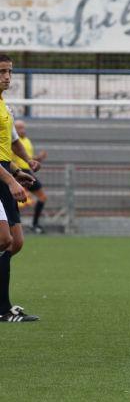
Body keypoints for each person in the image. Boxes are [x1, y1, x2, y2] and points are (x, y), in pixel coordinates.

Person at [0, 53, 42, 323]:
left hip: (4, 172)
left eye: (10, 72)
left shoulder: (4, 105)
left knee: (15, 243)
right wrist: (11, 178)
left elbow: (9, 144)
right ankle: (3, 309)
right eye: (2, 71)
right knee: (4, 241)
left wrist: (19, 169)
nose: (7, 77)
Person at [12, 120, 48, 232]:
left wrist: (38, 158)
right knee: (12, 200)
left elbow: (28, 157)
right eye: (19, 128)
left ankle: (34, 224)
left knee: (42, 197)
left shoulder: (27, 141)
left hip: (27, 171)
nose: (22, 130)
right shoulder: (11, 142)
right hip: (16, 172)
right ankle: (12, 226)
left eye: (23, 127)